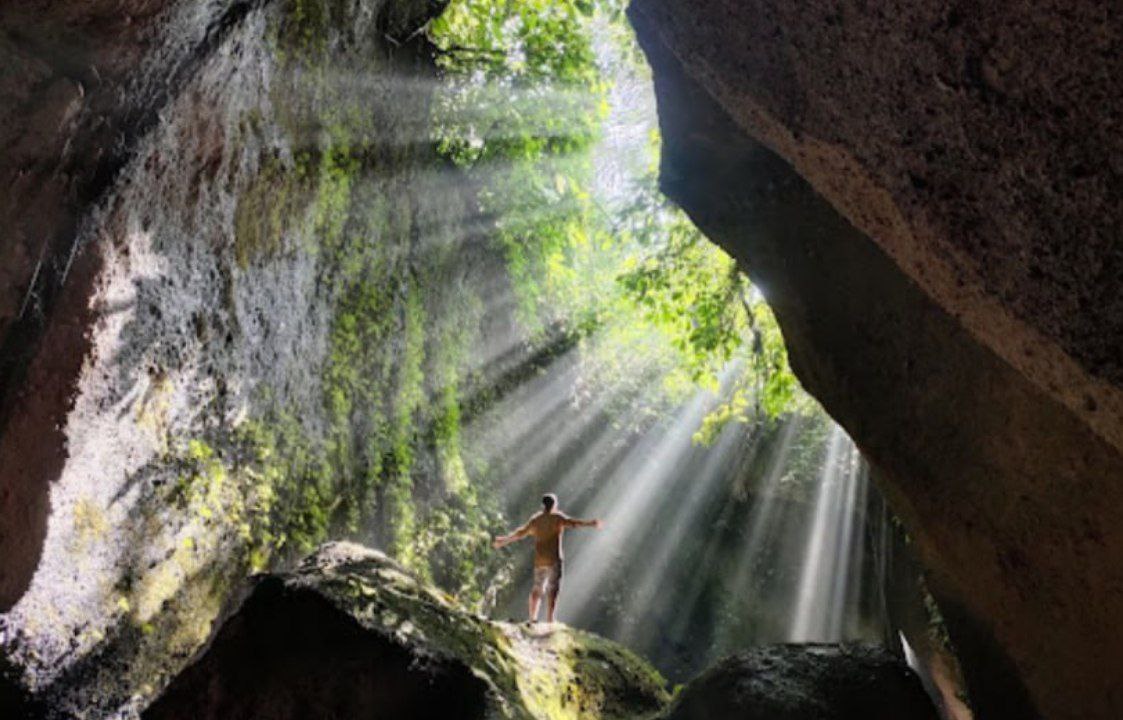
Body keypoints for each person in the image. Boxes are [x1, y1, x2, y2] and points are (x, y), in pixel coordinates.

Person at [492, 493, 602, 624]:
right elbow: (573, 523)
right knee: (553, 589)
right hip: (554, 560)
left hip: (540, 560)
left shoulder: (536, 519)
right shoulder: (557, 518)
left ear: (542, 505)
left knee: (537, 589)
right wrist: (591, 523)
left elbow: (521, 533)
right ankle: (550, 619)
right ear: (554, 504)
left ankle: (533, 618)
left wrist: (504, 540)